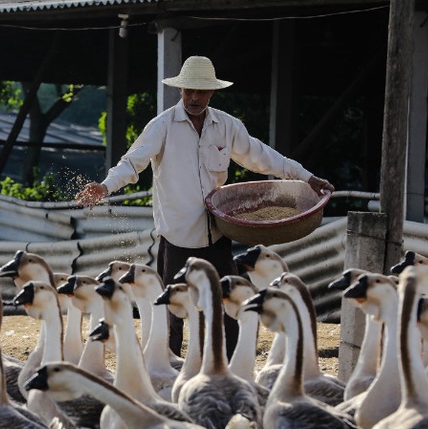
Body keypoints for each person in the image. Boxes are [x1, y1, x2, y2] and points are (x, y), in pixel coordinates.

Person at [76, 55, 335, 358]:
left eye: (200, 92)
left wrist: (307, 177)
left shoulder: (226, 126)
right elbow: (133, 163)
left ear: (212, 93)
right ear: (180, 91)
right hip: (178, 238)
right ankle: (166, 370)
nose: (194, 98)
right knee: (172, 311)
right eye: (189, 91)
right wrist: (105, 186)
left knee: (228, 304)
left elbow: (262, 156)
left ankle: (232, 366)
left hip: (217, 234)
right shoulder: (162, 126)